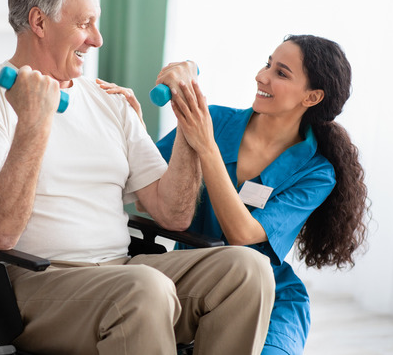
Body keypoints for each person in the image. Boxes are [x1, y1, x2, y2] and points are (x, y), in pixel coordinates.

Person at [0, 0, 275, 355]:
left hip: (124, 271)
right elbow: (0, 232)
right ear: (40, 22)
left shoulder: (108, 101)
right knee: (144, 290)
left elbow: (173, 214)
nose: (97, 40)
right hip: (32, 286)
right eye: (84, 24)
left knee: (248, 269)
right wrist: (33, 125)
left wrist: (188, 122)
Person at [99, 34, 369, 354]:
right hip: (193, 281)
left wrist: (206, 145)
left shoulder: (316, 172)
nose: (262, 76)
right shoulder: (215, 120)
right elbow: (150, 194)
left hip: (269, 295)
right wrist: (136, 125)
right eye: (268, 64)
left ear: (311, 97)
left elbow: (242, 235)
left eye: (281, 73)